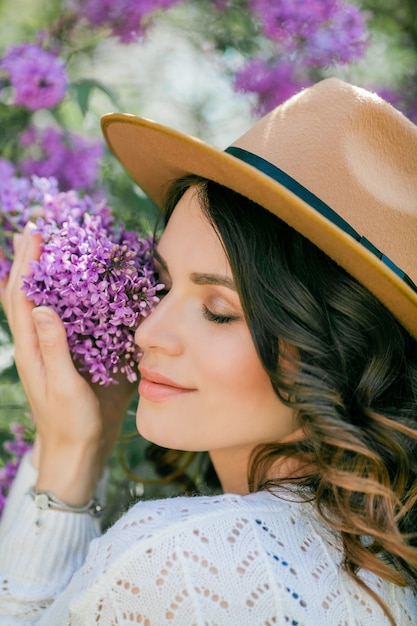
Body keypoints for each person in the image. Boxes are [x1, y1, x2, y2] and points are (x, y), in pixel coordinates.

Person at [0, 77, 416, 625]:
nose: (148, 331)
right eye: (162, 283)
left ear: (339, 348)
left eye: (220, 309)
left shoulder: (183, 561)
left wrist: (67, 452)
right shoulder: (384, 565)